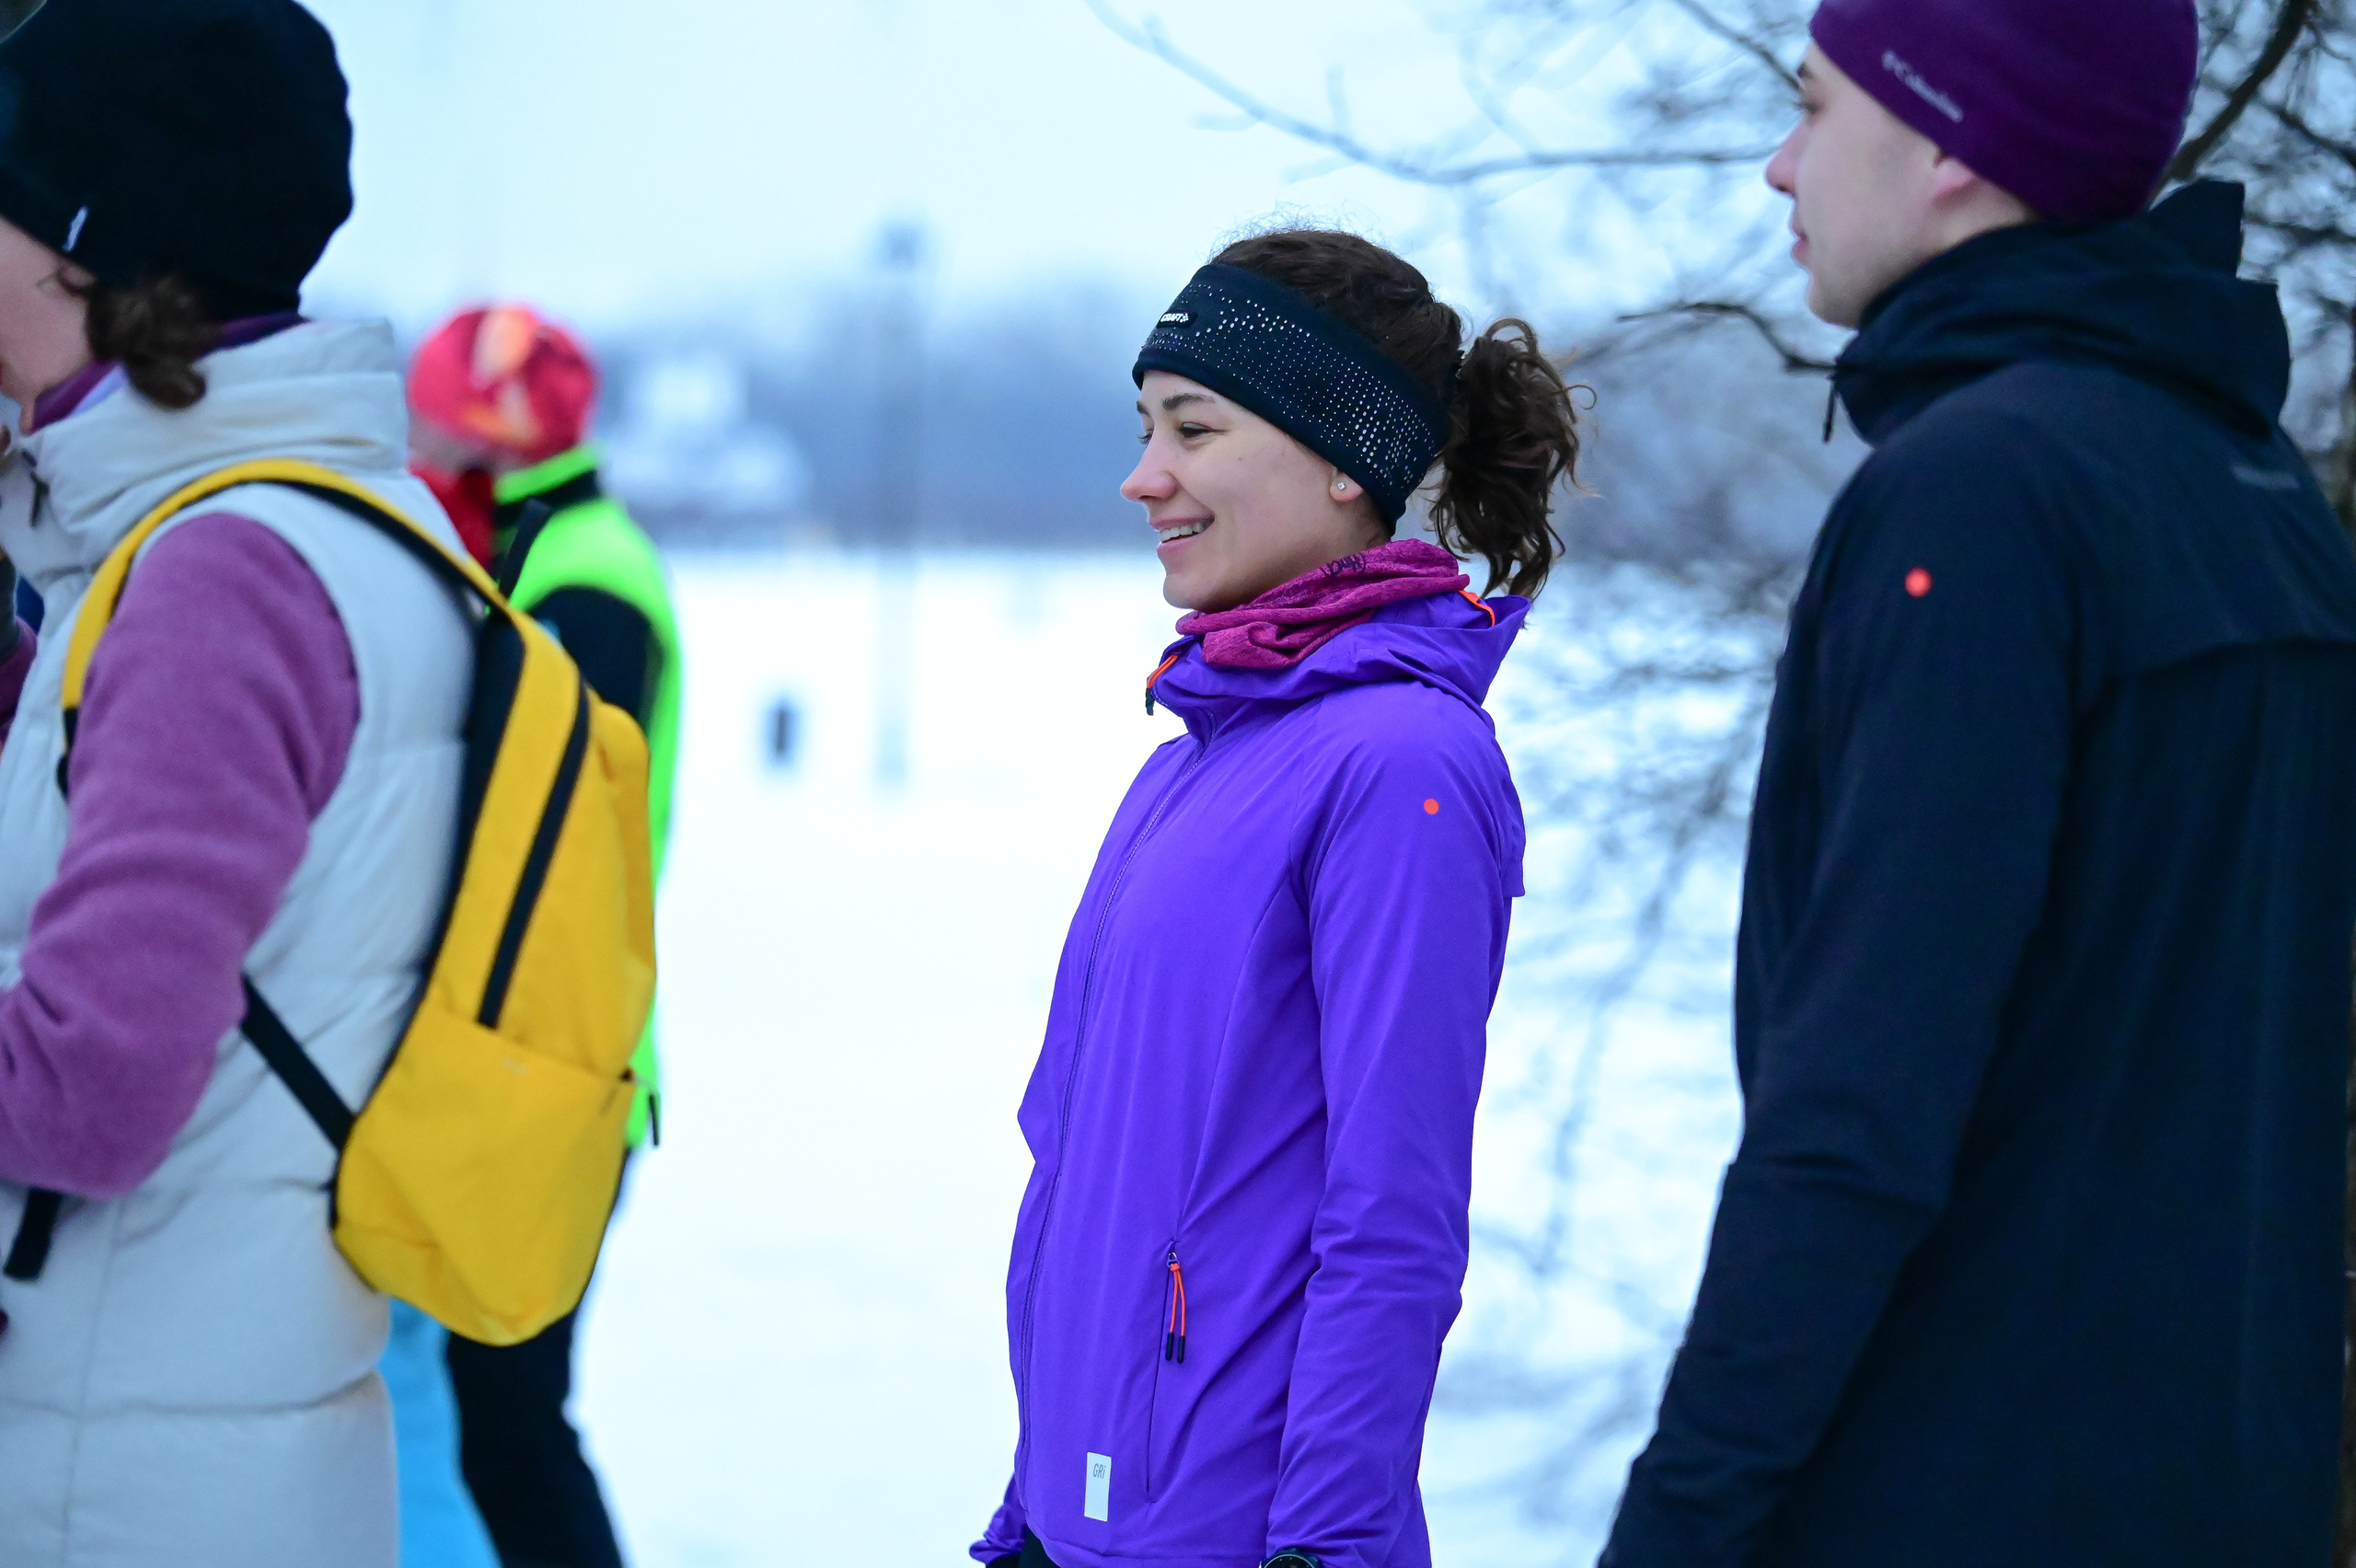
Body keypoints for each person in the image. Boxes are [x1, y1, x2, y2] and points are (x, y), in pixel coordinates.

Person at [1600, 3, 2356, 1564]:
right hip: (2221, 1493)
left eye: (1817, 106)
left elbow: (1859, 1105)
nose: (1779, 164)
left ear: (1950, 141)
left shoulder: (1984, 495)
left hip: (1954, 1491)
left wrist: (1680, 1522)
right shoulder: (2263, 500)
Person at [971, 230, 1582, 1568]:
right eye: (1145, 428)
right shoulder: (1188, 760)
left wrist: (1331, 1547)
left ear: (1344, 458)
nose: (1145, 476)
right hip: (1087, 1523)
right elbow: (1089, 1168)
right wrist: (1033, 1503)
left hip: (1254, 1540)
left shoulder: (1402, 764)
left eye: (1193, 428)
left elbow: (1394, 1205)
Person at [0, 3, 479, 1565]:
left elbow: (90, 1086)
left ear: (80, 251)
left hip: (112, 1485)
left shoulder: (220, 578)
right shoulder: (335, 521)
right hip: (191, 1439)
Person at [399, 304, 681, 1568]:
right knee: (490, 1419)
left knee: (510, 1426)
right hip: (537, 1051)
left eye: (431, 416)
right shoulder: (546, 551)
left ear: (488, 431)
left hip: (554, 1063)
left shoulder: (583, 580)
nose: (413, 441)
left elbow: (534, 840)